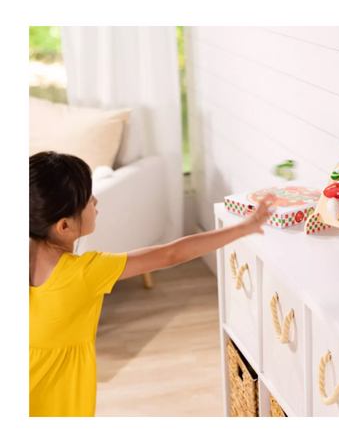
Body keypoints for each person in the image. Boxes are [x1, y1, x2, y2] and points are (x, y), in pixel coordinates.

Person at [29, 151, 275, 417]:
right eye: (88, 198)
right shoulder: (84, 273)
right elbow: (171, 254)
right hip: (57, 400)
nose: (95, 200)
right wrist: (243, 227)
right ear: (64, 226)